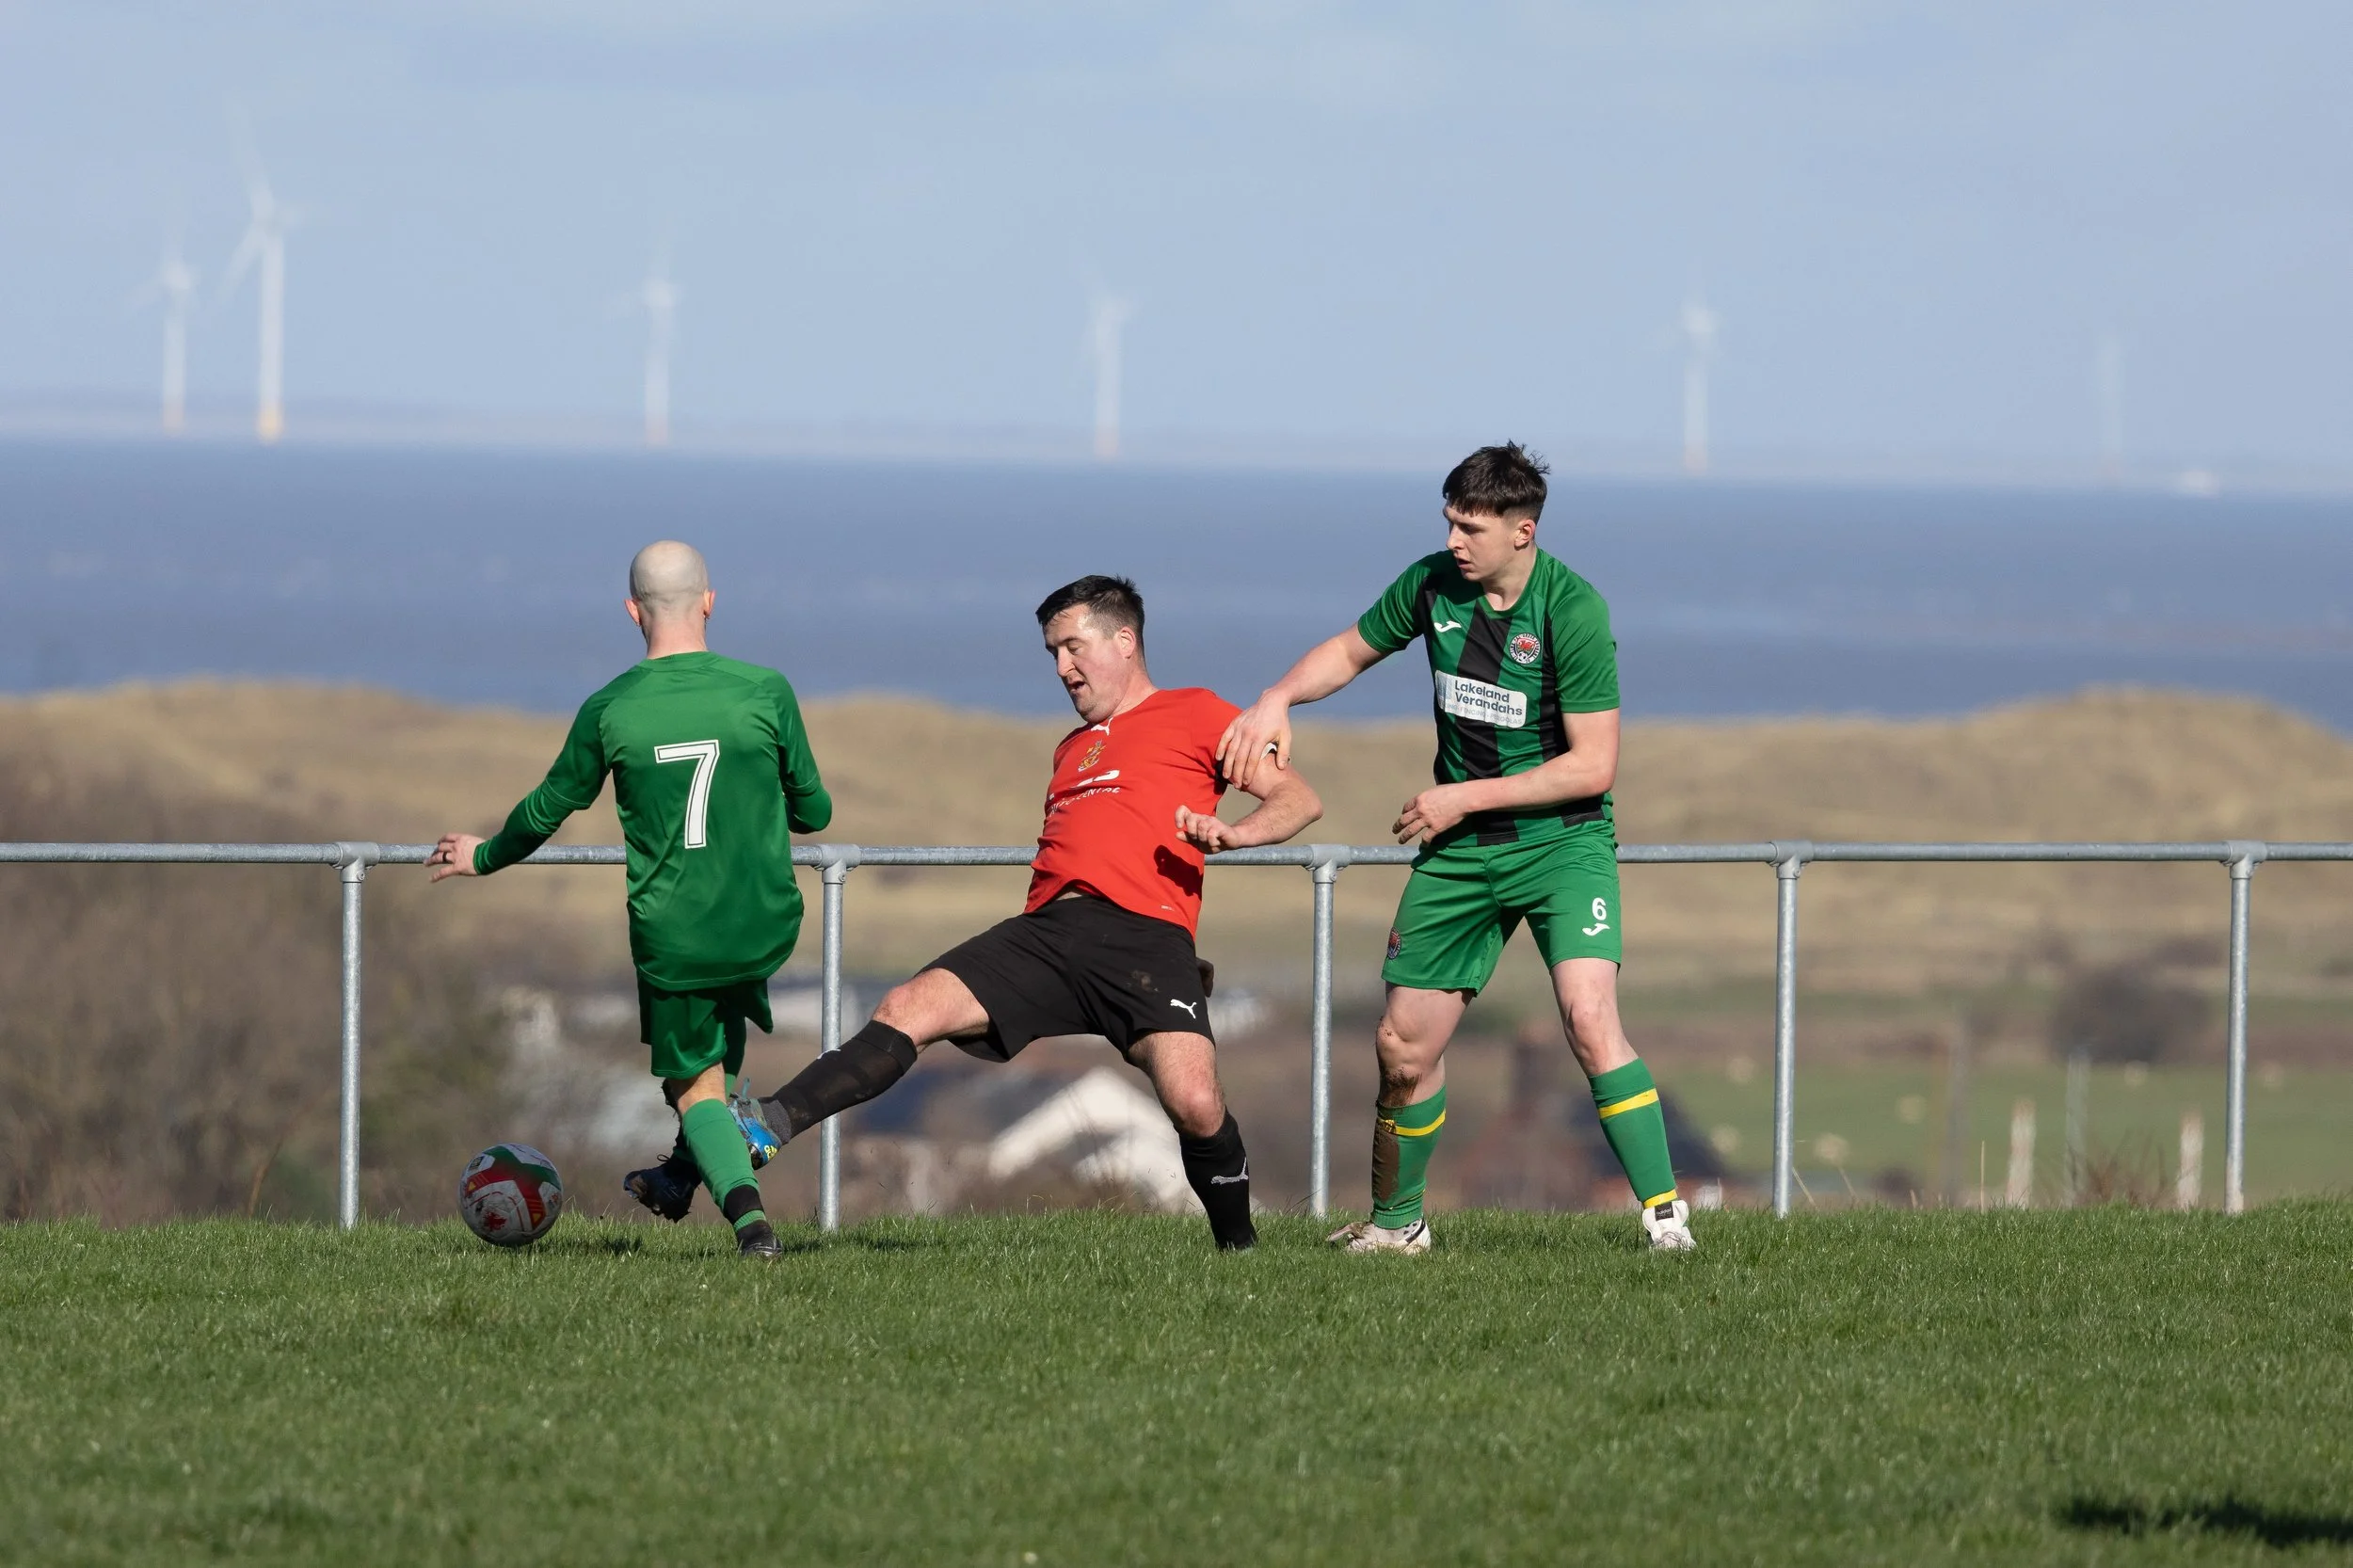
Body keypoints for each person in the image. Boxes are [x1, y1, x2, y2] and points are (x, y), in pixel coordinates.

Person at [1217, 443, 1696, 1254]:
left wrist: (1460, 796)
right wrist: (1276, 699)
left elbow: (1594, 766)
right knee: (1403, 1045)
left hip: (1563, 846)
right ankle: (1399, 1226)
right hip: (1461, 852)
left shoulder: (1572, 610)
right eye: (1448, 522)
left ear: (1524, 531)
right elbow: (1350, 649)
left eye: (1471, 527)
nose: (1454, 542)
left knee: (1588, 1016)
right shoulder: (1432, 585)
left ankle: (1665, 1221)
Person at [752, 574, 1322, 1251]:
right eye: (1052, 653)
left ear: (1125, 640)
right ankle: (765, 1123)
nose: (1063, 669)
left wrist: (1235, 833)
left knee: (1196, 1104)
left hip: (1145, 938)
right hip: (1046, 933)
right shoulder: (1070, 749)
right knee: (907, 1006)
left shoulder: (1198, 712)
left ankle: (1242, 1251)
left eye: (1074, 648)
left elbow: (1297, 800)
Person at [428, 540, 831, 1260]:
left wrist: (481, 857)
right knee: (719, 1053)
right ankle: (679, 1177)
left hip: (679, 930)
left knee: (691, 1085)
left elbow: (549, 807)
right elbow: (816, 812)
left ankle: (753, 1228)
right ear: (710, 601)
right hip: (766, 919)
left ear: (631, 611)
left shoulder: (611, 708)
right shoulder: (767, 690)